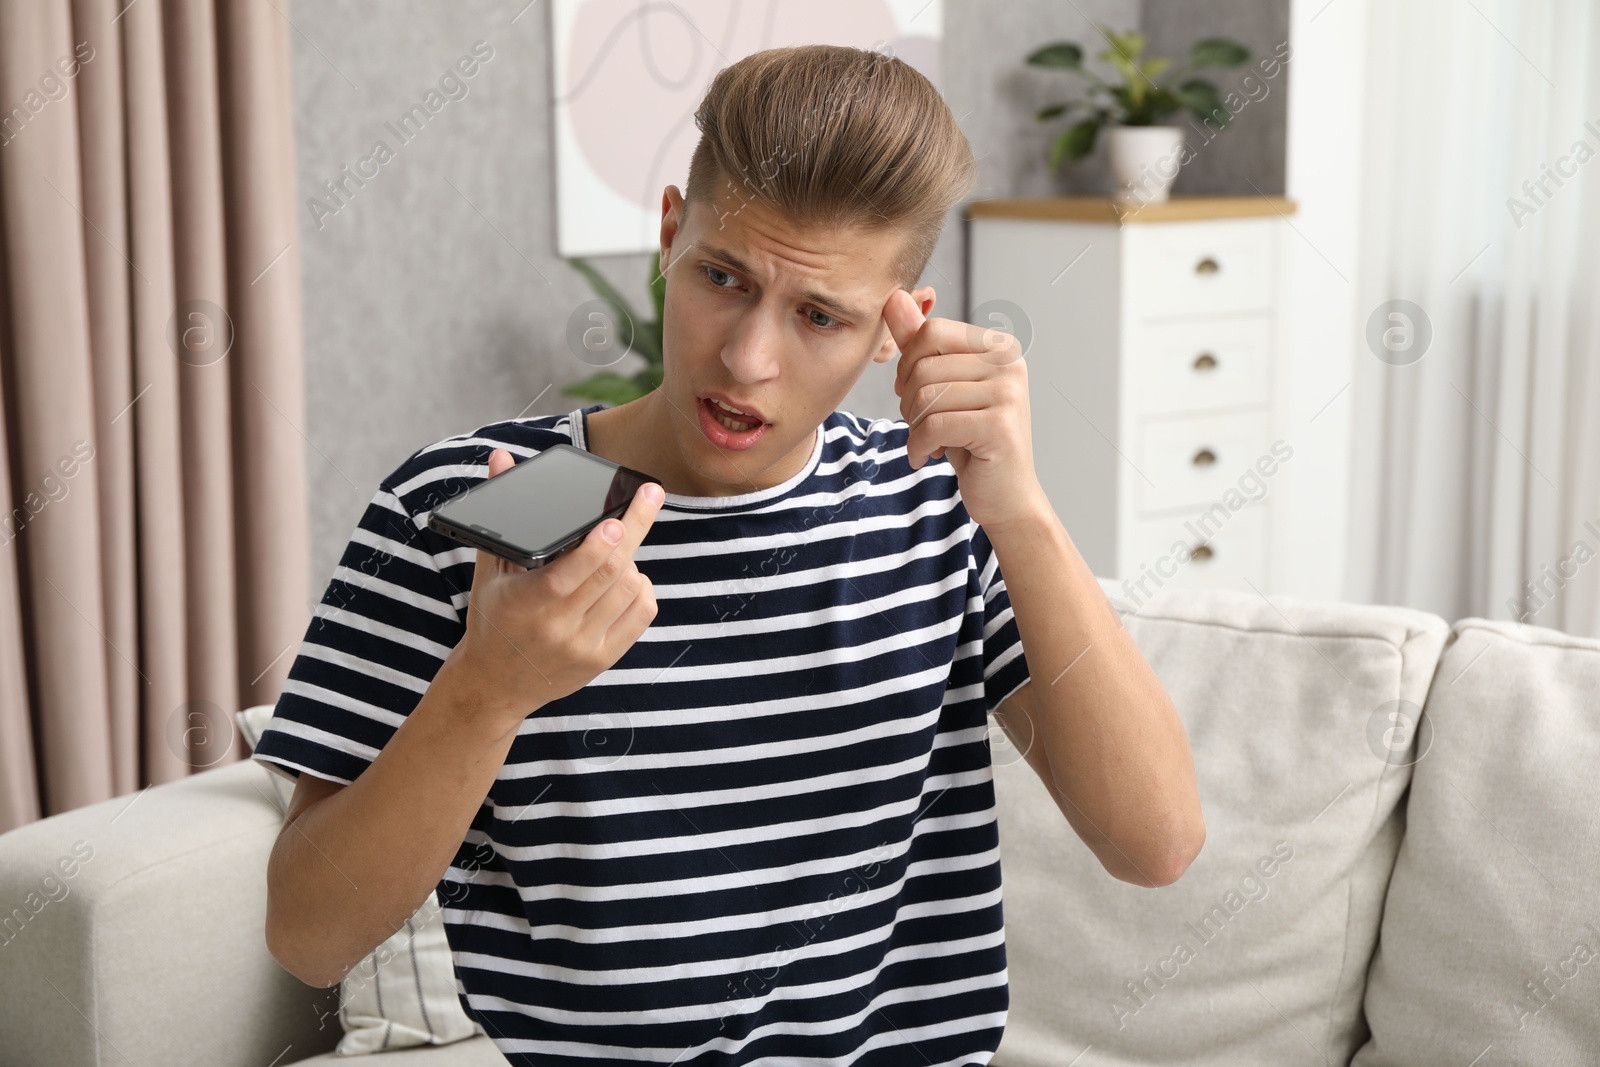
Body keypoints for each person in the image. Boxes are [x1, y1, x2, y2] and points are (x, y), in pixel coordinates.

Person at [256, 42, 1203, 1065]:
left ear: (897, 328)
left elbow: (1154, 842)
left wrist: (1018, 509)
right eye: (723, 276)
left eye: (818, 316)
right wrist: (488, 691)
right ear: (669, 233)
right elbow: (309, 935)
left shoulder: (940, 504)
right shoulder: (461, 506)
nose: (748, 359)